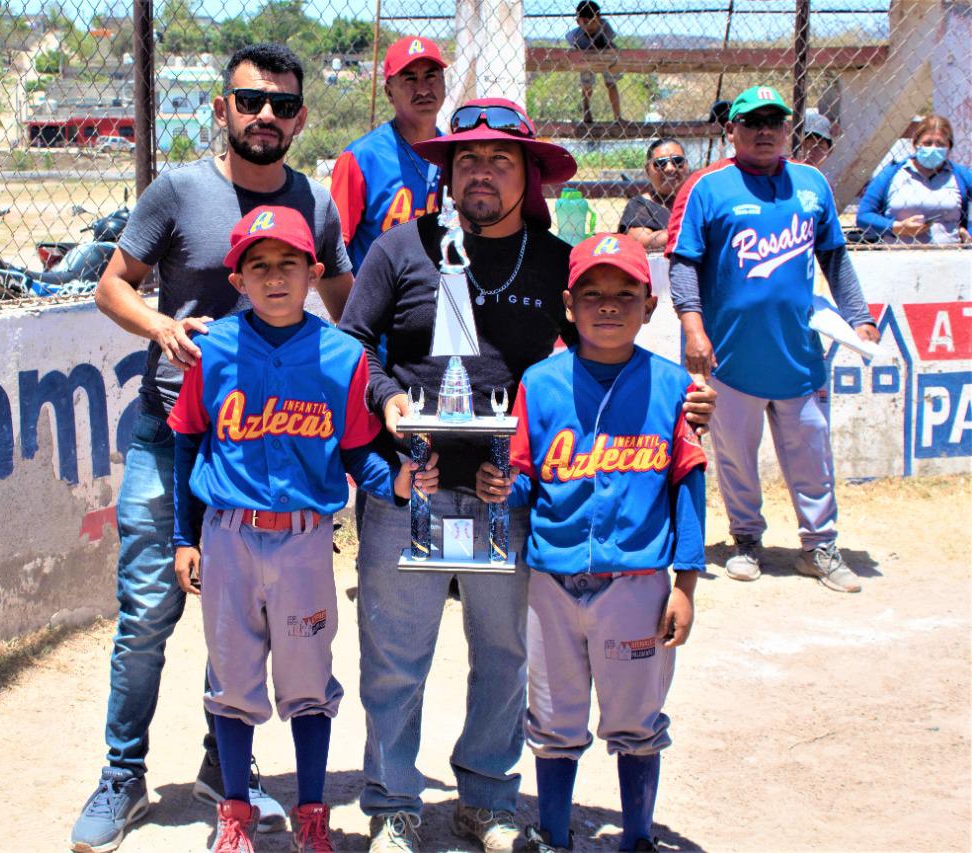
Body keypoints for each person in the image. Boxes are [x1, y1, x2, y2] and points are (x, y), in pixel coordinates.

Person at [339, 98, 716, 853]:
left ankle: (485, 794)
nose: (480, 173)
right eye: (466, 160)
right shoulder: (402, 247)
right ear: (446, 171)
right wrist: (386, 399)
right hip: (409, 485)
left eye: (499, 160)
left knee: (506, 652)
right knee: (395, 651)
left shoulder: (553, 262)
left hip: (510, 494)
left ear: (529, 174)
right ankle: (393, 801)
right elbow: (352, 342)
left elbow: (604, 362)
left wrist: (684, 400)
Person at [72, 43, 354, 853]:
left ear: (299, 118)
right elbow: (112, 283)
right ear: (222, 108)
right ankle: (123, 775)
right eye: (250, 101)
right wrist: (159, 325)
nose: (266, 115)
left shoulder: (314, 204)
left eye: (283, 105)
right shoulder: (180, 190)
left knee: (246, 617)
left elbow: (347, 307)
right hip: (173, 432)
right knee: (148, 609)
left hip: (269, 454)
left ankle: (218, 767)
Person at [167, 205, 439, 853]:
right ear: (238, 280)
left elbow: (354, 452)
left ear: (315, 271)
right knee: (232, 680)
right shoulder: (215, 350)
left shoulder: (342, 357)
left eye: (289, 263)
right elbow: (185, 441)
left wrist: (394, 484)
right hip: (230, 534)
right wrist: (185, 536)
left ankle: (312, 812)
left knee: (308, 680)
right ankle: (234, 812)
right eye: (257, 266)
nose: (274, 277)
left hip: (307, 540)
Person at [481, 232, 707, 853]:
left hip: (636, 583)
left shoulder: (672, 386)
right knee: (553, 719)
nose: (608, 306)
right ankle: (555, 835)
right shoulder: (542, 382)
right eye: (592, 294)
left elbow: (688, 484)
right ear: (568, 303)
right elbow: (524, 474)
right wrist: (503, 486)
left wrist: (685, 585)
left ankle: (637, 837)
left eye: (624, 295)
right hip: (552, 582)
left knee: (636, 721)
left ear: (650, 304)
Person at [667, 85, 880, 594]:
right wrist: (693, 328)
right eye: (753, 122)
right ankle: (745, 540)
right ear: (732, 131)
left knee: (811, 452)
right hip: (731, 353)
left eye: (775, 122)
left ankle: (819, 545)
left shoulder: (811, 184)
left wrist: (859, 316)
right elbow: (683, 263)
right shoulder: (708, 188)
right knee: (736, 455)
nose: (764, 131)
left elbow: (835, 256)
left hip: (798, 354)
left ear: (788, 130)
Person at [331, 36, 447, 273]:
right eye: (410, 79)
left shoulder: (456, 156)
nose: (423, 89)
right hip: (379, 301)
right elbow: (333, 253)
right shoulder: (361, 158)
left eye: (431, 76)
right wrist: (354, 310)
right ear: (389, 92)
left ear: (444, 83)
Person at [856, 114, 971, 244]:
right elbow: (863, 216)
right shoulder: (892, 173)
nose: (933, 148)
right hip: (898, 258)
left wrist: (969, 230)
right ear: (915, 143)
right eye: (927, 143)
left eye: (940, 144)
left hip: (949, 258)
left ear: (949, 147)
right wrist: (897, 227)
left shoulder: (960, 175)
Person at [618, 138, 689, 251]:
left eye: (677, 161)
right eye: (660, 163)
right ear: (648, 170)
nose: (670, 168)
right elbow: (640, 241)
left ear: (686, 165)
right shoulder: (640, 205)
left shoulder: (697, 199)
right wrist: (689, 230)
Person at [567, 1, 622, 124]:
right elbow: (573, 48)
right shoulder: (575, 35)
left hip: (606, 56)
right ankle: (587, 112)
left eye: (593, 21)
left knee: (611, 83)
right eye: (586, 22)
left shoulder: (605, 27)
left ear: (599, 19)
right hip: (586, 57)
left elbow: (609, 45)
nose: (590, 25)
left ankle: (618, 117)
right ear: (578, 22)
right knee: (587, 85)